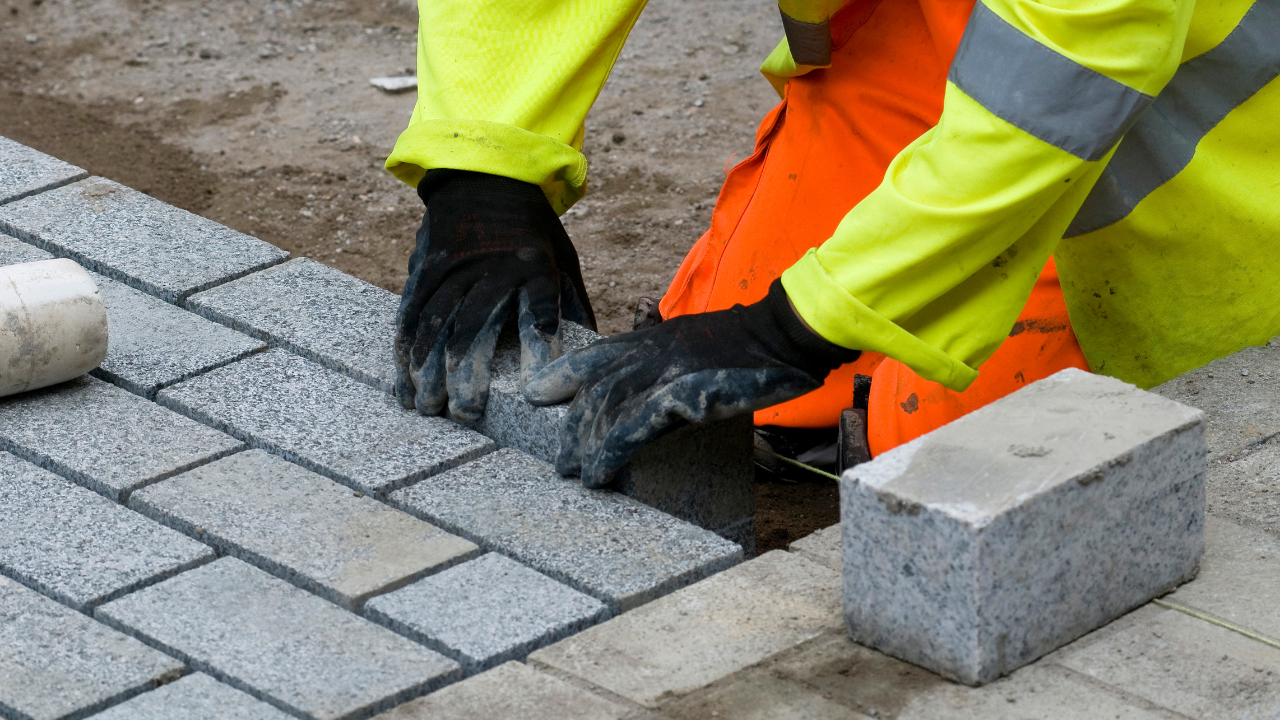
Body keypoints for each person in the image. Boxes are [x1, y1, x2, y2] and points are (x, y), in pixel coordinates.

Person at [388, 0, 1280, 488]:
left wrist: (798, 324)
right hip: (947, 23)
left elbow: (1079, 57)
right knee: (744, 402)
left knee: (962, 470)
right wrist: (485, 163)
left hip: (1195, 127)